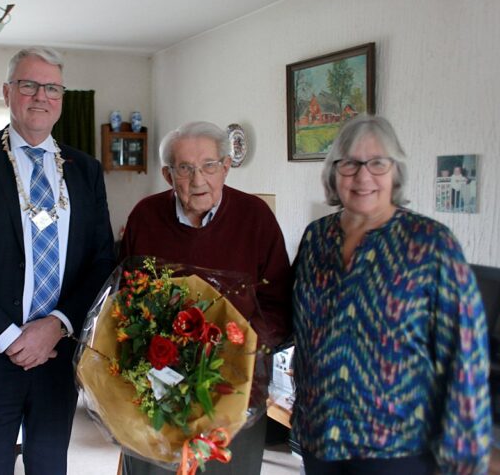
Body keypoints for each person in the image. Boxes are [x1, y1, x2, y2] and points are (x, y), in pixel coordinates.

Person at [0, 47, 115, 474]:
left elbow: (102, 261)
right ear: (7, 92)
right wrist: (10, 338)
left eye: (51, 87)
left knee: (50, 467)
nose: (40, 96)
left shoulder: (86, 170)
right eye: (28, 85)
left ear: (62, 98)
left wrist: (56, 326)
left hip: (57, 356)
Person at [292, 115, 490, 474]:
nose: (363, 176)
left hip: (396, 449)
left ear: (395, 172)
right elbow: (300, 328)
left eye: (378, 163)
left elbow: (465, 352)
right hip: (319, 435)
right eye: (350, 163)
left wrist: (464, 455)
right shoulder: (315, 238)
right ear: (334, 172)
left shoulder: (431, 244)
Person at [118, 121, 292, 474]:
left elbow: (279, 304)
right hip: (157, 394)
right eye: (185, 168)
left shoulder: (255, 218)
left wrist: (235, 347)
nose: (199, 179)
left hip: (233, 392)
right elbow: (124, 301)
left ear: (226, 167)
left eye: (210, 166)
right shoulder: (144, 217)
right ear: (168, 175)